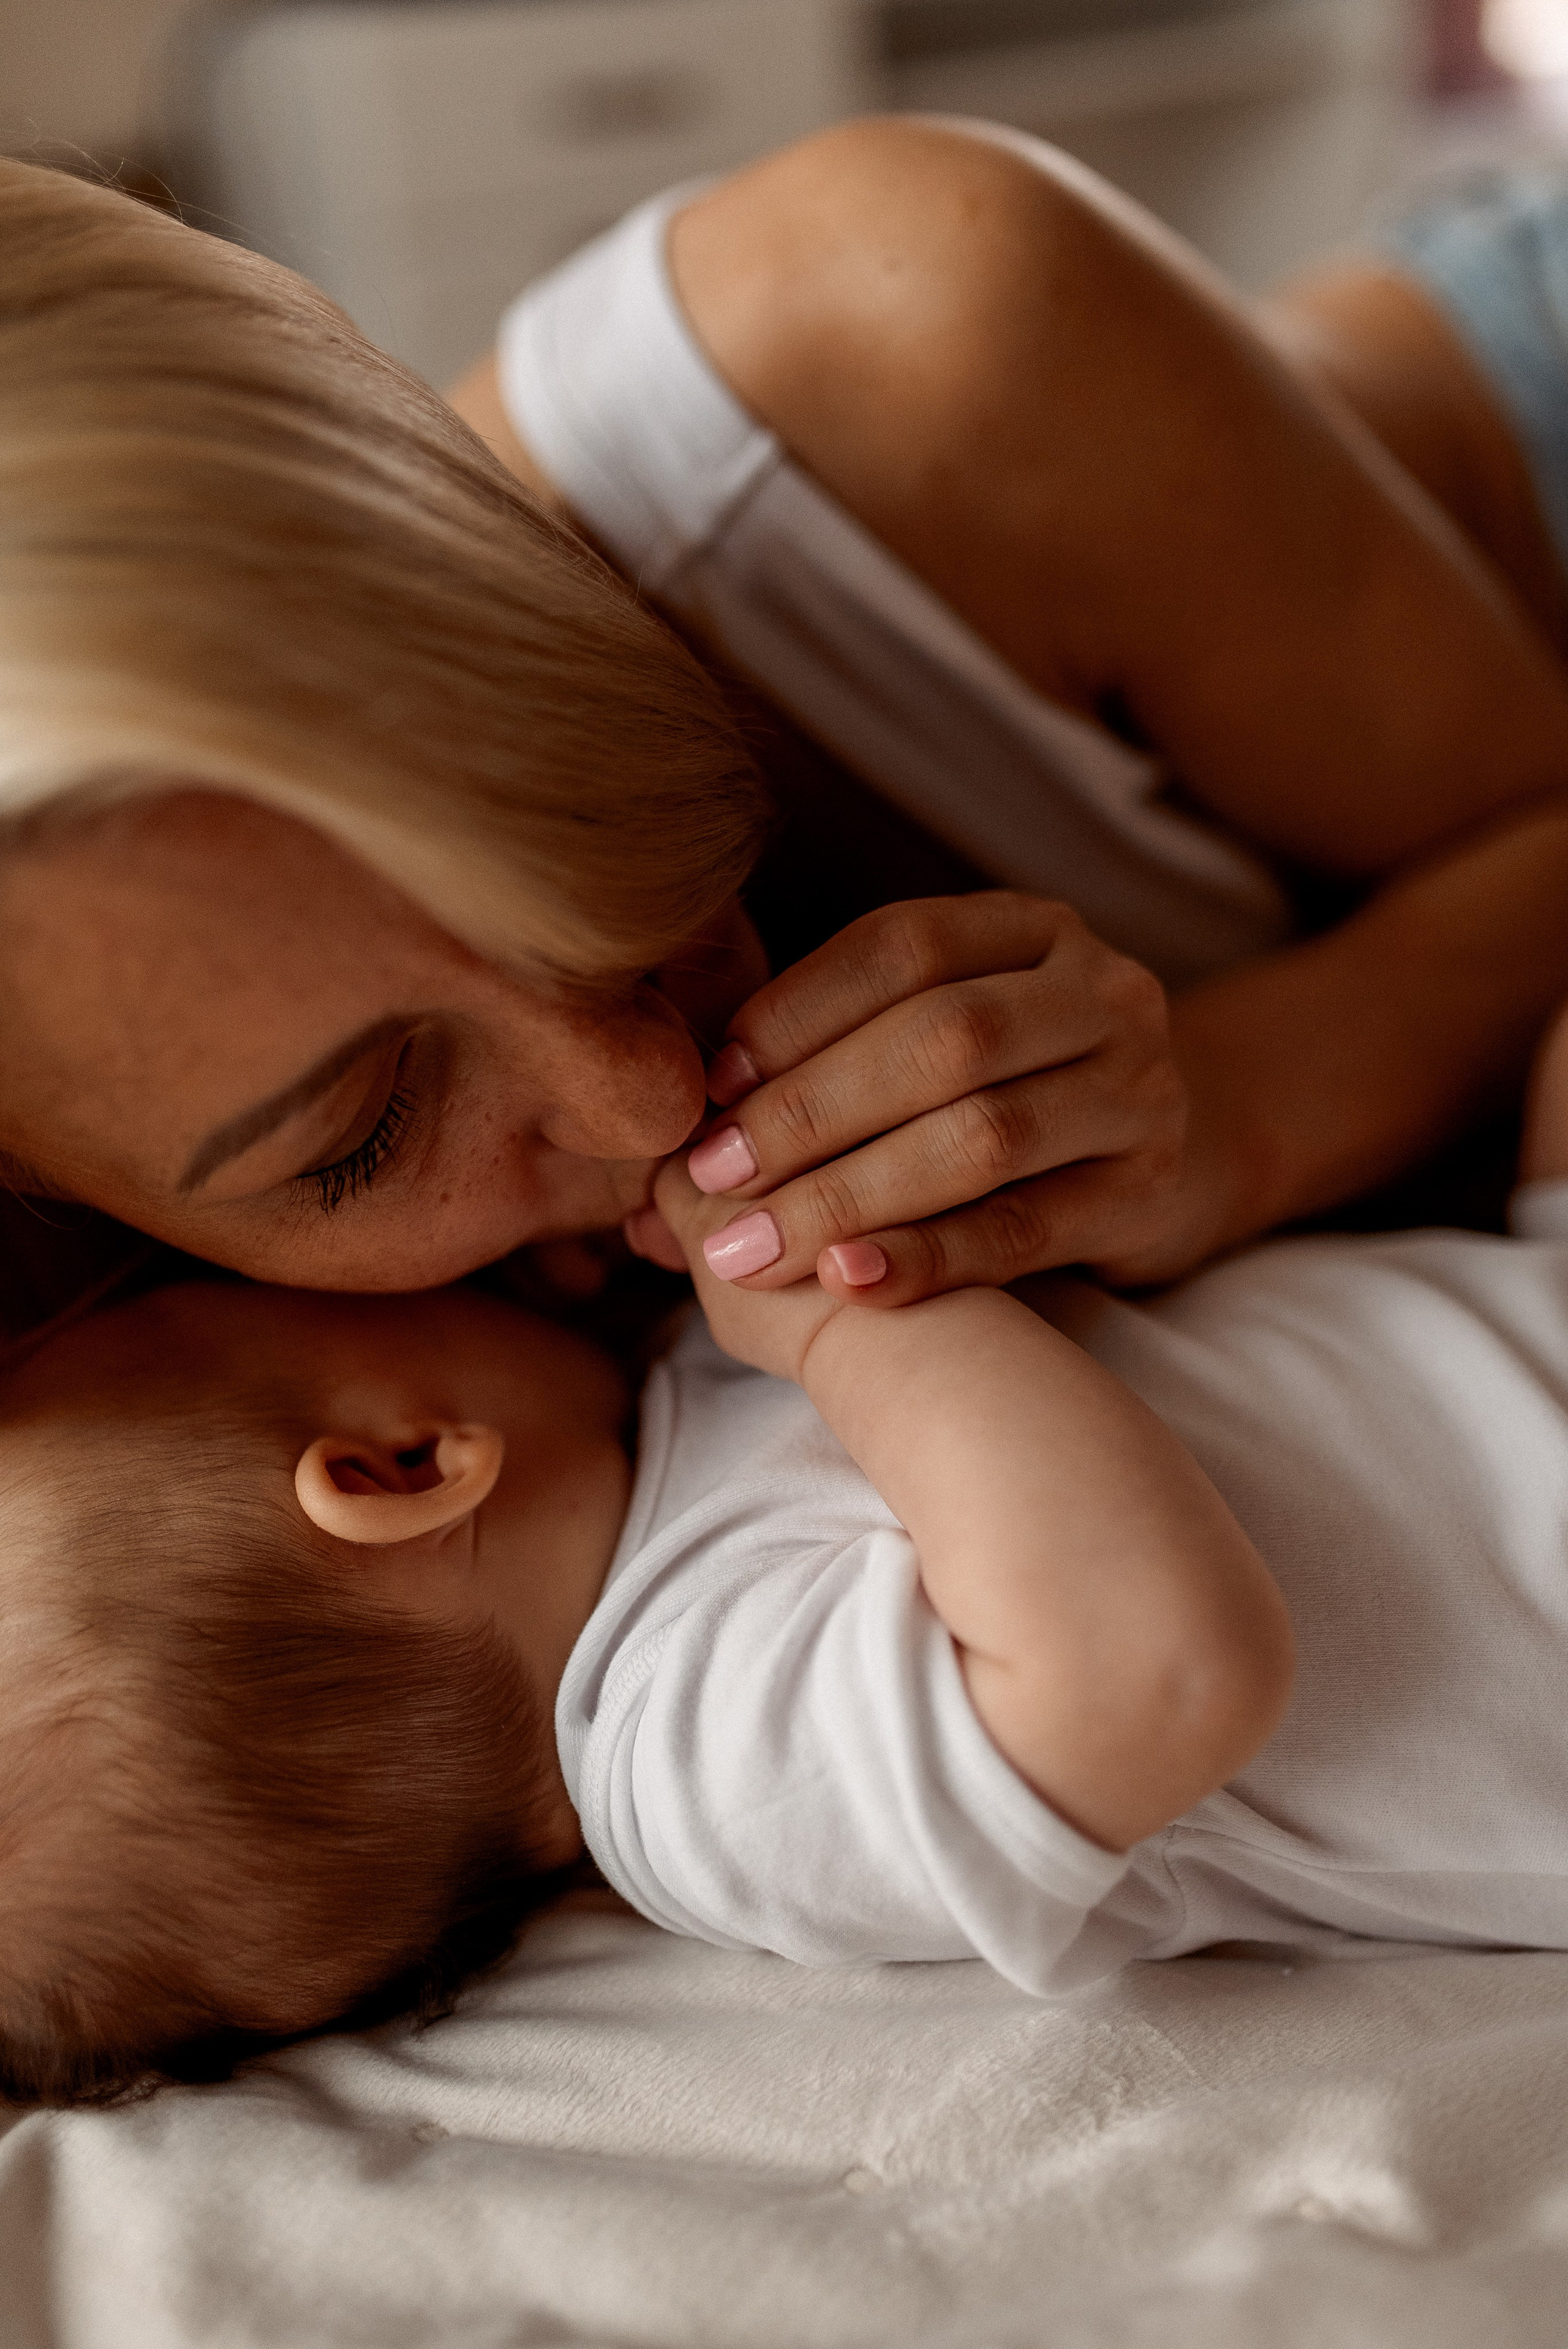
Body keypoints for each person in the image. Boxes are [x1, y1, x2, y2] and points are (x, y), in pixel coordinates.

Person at [5, 125, 1568, 1340]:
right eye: (360, 1137)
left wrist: (1236, 1113)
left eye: (557, 791)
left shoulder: (909, 329)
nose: (646, 1101)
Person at [5, 998, 1568, 2108]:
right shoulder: (704, 1765)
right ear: (401, 1466)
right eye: (194, 1301)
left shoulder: (675, 1424)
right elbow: (1155, 1668)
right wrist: (830, 1317)